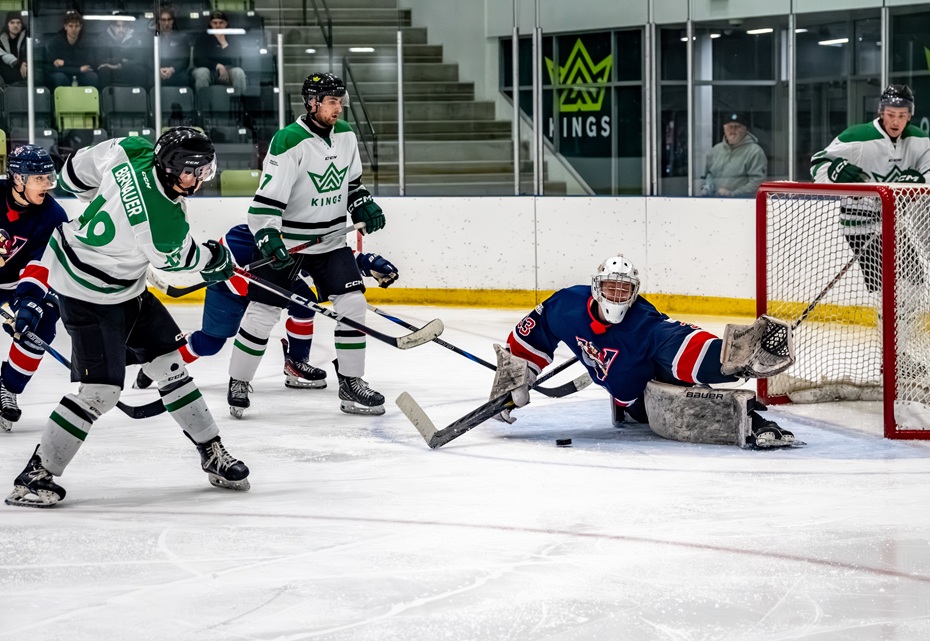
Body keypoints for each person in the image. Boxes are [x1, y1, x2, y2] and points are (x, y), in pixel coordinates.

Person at [4, 128, 249, 508]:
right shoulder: (162, 220)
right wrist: (217, 260)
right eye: (191, 171)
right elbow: (181, 262)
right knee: (100, 392)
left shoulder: (132, 149)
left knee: (170, 366)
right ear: (169, 168)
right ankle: (35, 475)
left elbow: (72, 173)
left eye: (203, 170)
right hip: (86, 292)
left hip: (125, 286)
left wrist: (113, 207)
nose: (198, 179)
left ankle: (212, 451)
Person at [489, 255, 797, 448]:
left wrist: (732, 358)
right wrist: (515, 375)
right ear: (597, 288)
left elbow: (685, 345)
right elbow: (532, 334)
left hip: (646, 395)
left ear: (635, 292)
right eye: (611, 288)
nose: (617, 295)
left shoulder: (643, 322)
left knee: (686, 399)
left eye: (625, 290)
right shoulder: (565, 305)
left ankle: (753, 422)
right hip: (627, 398)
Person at [137, 224, 399, 419]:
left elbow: (324, 254)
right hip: (229, 290)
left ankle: (296, 363)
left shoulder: (303, 228)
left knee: (304, 305)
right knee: (211, 343)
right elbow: (230, 257)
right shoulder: (246, 235)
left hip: (266, 284)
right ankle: (156, 367)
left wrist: (366, 263)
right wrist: (261, 284)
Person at [247, 72, 388, 415]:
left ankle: (352, 382)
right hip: (289, 245)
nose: (339, 107)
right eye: (332, 101)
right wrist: (268, 235)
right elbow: (266, 203)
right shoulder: (289, 140)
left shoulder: (346, 136)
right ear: (312, 103)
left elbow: (352, 184)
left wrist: (362, 203)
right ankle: (239, 381)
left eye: (341, 101)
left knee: (351, 305)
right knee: (262, 313)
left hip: (329, 241)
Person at [810, 84, 930, 375]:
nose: (895, 121)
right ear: (881, 112)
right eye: (890, 114)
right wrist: (835, 172)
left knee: (913, 287)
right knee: (887, 291)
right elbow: (817, 165)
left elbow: (928, 173)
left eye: (902, 115)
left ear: (909, 116)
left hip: (896, 224)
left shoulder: (920, 140)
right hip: (860, 224)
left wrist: (920, 181)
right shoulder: (857, 137)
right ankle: (892, 359)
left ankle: (895, 354)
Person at [0, 145, 70, 432]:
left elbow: (42, 263)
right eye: (39, 178)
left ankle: (9, 387)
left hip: (16, 284)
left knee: (40, 324)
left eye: (48, 177)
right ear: (18, 179)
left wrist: (29, 302)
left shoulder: (53, 215)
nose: (47, 184)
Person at [701, 112, 767, 197]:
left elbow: (758, 182)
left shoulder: (755, 152)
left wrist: (733, 194)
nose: (733, 129)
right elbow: (708, 175)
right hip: (715, 201)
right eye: (729, 126)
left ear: (745, 129)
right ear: (724, 128)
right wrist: (706, 187)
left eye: (737, 127)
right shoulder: (715, 150)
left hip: (743, 203)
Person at [191, 11, 246, 94]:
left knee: (239, 72)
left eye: (221, 23)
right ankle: (203, 104)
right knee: (202, 72)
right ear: (210, 24)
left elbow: (237, 62)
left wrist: (224, 43)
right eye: (215, 23)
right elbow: (198, 60)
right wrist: (217, 66)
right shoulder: (202, 38)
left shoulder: (233, 39)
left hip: (228, 71)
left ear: (226, 24)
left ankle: (239, 102)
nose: (218, 26)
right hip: (208, 70)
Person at [45, 11, 98, 89]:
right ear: (65, 27)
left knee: (92, 77)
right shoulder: (54, 42)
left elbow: (89, 64)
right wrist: (79, 69)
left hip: (81, 74)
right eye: (71, 26)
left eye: (77, 26)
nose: (74, 29)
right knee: (59, 77)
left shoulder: (88, 42)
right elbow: (54, 67)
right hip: (63, 73)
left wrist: (64, 63)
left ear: (81, 27)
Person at [96, 18, 150, 88]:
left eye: (124, 26)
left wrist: (120, 65)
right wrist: (121, 61)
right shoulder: (103, 38)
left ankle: (139, 96)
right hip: (111, 71)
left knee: (140, 71)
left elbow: (139, 59)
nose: (121, 30)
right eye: (118, 26)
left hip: (128, 69)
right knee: (104, 70)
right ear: (112, 26)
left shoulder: (135, 38)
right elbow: (100, 59)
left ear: (128, 26)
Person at [156, 6, 191, 88]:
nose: (167, 23)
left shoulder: (182, 37)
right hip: (158, 71)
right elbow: (148, 58)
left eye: (169, 20)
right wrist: (158, 69)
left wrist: (172, 69)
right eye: (163, 20)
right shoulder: (154, 38)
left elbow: (185, 60)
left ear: (173, 21)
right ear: (159, 21)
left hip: (177, 72)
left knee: (184, 78)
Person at [0, 11, 28, 88]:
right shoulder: (1, 39)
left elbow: (33, 53)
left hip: (25, 70)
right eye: (12, 23)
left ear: (21, 24)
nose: (15, 25)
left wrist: (24, 62)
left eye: (18, 22)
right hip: (9, 71)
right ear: (7, 25)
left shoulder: (28, 37)